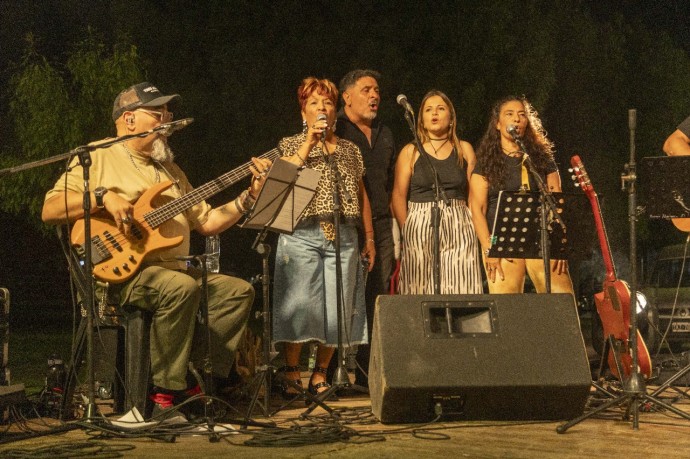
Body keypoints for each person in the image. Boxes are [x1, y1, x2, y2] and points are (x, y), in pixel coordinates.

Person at [41, 81, 272, 417]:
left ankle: (193, 377)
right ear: (128, 119)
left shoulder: (170, 170)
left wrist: (248, 198)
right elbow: (50, 210)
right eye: (157, 112)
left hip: (172, 270)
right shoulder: (98, 155)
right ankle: (164, 397)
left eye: (168, 112)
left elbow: (207, 222)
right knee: (181, 287)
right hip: (122, 274)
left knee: (237, 292)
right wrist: (103, 197)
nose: (166, 118)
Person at [272, 77, 375, 398]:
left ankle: (319, 373)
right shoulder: (289, 144)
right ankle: (291, 372)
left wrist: (368, 236)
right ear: (303, 111)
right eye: (314, 102)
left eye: (327, 103)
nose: (322, 108)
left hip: (343, 235)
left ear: (335, 111)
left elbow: (361, 193)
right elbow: (281, 181)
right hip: (301, 233)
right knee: (300, 305)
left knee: (337, 306)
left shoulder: (349, 150)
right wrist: (309, 143)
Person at [469, 95, 572, 293]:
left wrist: (560, 245)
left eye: (522, 115)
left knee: (562, 300)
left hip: (541, 238)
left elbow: (557, 203)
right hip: (501, 241)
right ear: (498, 124)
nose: (516, 119)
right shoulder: (486, 163)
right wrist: (489, 248)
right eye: (509, 114)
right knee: (508, 306)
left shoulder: (542, 159)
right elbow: (477, 208)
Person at [333, 69, 396, 389]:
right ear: (346, 96)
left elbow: (391, 182)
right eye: (367, 90)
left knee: (378, 295)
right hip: (345, 224)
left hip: (382, 224)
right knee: (345, 297)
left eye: (377, 90)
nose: (375, 96)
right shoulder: (336, 130)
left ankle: (369, 374)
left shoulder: (385, 132)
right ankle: (334, 373)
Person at [391, 90, 482, 294]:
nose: (434, 113)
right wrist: (408, 229)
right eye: (429, 110)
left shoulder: (464, 149)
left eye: (441, 109)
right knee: (420, 288)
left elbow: (474, 194)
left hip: (459, 221)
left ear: (451, 118)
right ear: (421, 119)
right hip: (420, 221)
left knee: (462, 285)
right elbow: (397, 196)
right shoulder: (410, 151)